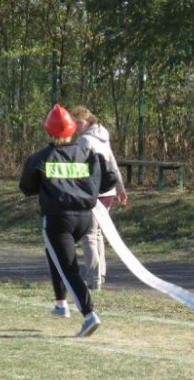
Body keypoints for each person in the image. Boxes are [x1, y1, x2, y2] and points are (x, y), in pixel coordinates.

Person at [18, 103, 116, 337]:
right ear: (72, 131)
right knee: (57, 256)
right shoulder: (87, 153)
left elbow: (26, 187)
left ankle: (89, 313)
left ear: (49, 132)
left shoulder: (40, 158)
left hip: (57, 220)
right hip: (84, 217)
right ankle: (61, 303)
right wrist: (88, 191)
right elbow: (109, 177)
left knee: (68, 266)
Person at [71, 106, 128, 291]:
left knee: (89, 235)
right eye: (74, 123)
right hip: (108, 192)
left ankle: (93, 278)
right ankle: (100, 275)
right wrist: (119, 187)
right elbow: (112, 161)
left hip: (93, 192)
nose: (76, 127)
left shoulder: (84, 140)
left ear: (89, 121)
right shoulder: (103, 137)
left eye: (79, 123)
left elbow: (78, 169)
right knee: (97, 234)